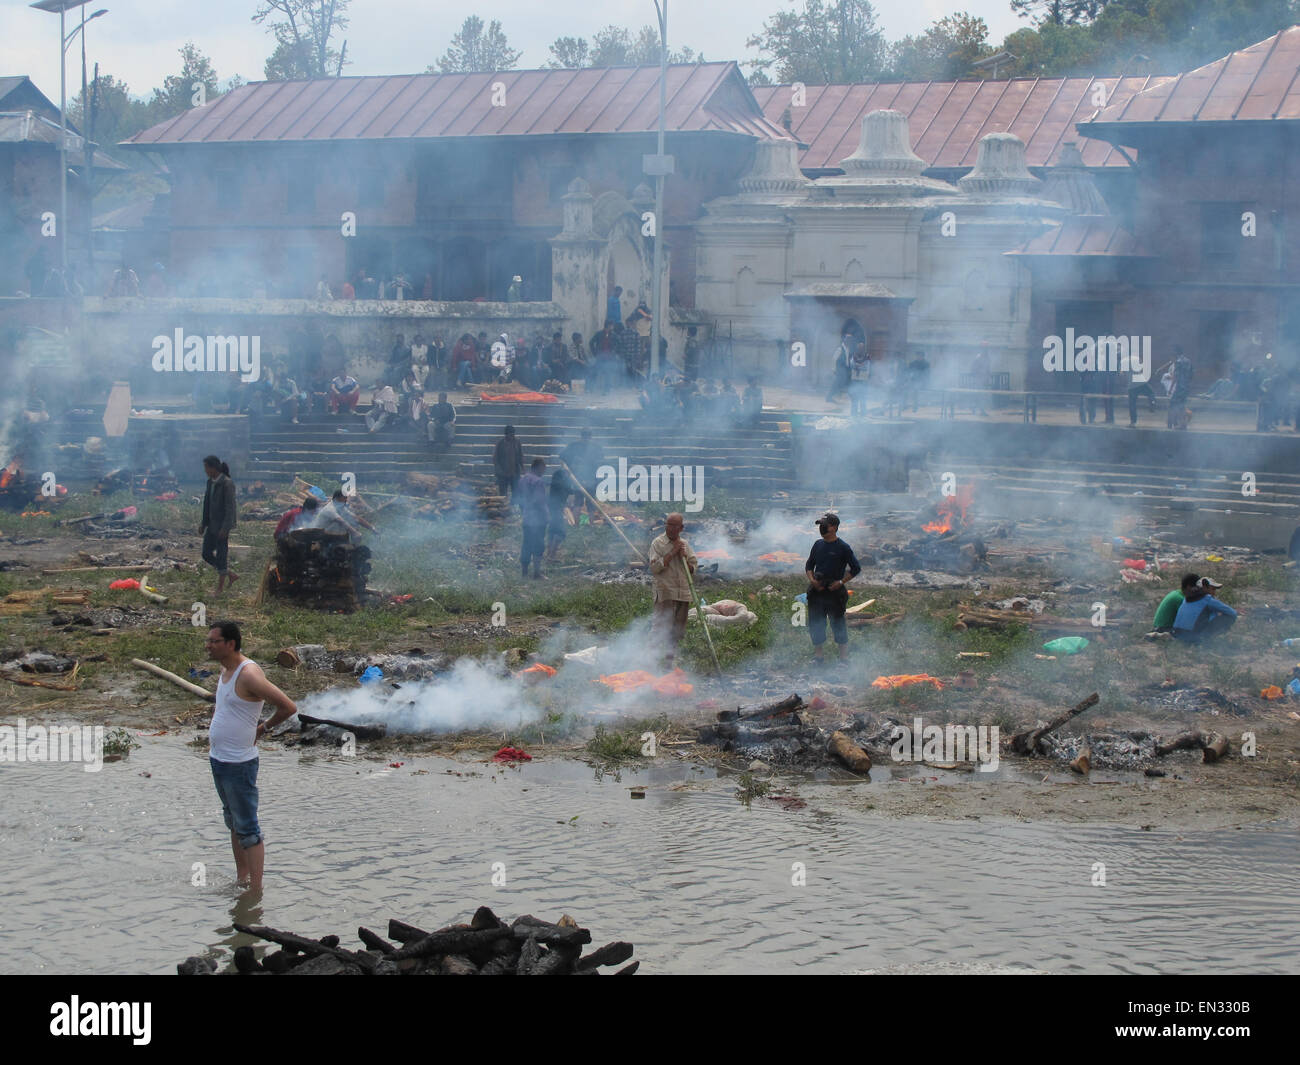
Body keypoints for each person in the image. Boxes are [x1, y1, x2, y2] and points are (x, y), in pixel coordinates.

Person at [205, 620, 299, 894]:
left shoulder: (248, 675)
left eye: (213, 641)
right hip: (219, 759)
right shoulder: (226, 670)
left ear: (230, 644)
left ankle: (255, 892)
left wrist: (264, 728)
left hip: (239, 763)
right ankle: (241, 879)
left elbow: (288, 706)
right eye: (208, 641)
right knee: (233, 821)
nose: (207, 646)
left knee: (248, 827)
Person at [805, 512, 861, 667]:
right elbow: (809, 566)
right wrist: (812, 581)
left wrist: (841, 582)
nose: (821, 528)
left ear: (834, 527)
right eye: (821, 525)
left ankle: (843, 659)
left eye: (825, 525)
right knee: (816, 623)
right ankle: (818, 657)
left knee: (838, 623)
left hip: (835, 593)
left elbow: (856, 568)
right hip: (817, 591)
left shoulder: (843, 547)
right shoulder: (818, 545)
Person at [649, 512, 698, 670]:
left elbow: (693, 568)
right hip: (666, 592)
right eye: (668, 524)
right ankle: (650, 664)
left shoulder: (685, 544)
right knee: (659, 629)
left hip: (683, 593)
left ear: (681, 528)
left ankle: (668, 664)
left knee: (677, 631)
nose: (669, 528)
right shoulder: (658, 543)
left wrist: (683, 556)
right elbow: (655, 568)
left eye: (673, 525)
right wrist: (672, 552)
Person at [200, 456, 238, 595]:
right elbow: (207, 504)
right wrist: (203, 523)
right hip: (212, 525)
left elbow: (230, 508)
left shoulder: (227, 484)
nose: (205, 470)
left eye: (206, 467)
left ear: (213, 468)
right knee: (206, 554)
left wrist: (226, 528)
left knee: (222, 556)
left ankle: (220, 589)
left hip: (222, 527)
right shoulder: (210, 482)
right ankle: (229, 573)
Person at [1172, 576, 1237, 642]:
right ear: (1205, 587)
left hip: (1177, 634)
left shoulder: (1186, 599)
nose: (1214, 592)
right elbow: (1233, 613)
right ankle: (1206, 640)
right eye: (1213, 589)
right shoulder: (1207, 599)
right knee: (1228, 617)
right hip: (1191, 636)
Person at [520, 458, 549, 579]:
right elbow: (539, 501)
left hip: (527, 516)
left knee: (526, 544)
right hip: (538, 519)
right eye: (543, 469)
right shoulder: (538, 482)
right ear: (538, 467)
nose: (544, 471)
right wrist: (547, 515)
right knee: (538, 544)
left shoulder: (522, 480)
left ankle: (524, 573)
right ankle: (537, 573)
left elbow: (519, 499)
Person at [1147, 573, 1200, 637]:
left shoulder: (1177, 593)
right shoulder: (1180, 599)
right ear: (1189, 587)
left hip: (1159, 626)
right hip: (1164, 628)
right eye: (1197, 588)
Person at [560, 429, 600, 512]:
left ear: (590, 437)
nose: (586, 440)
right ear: (582, 437)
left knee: (590, 502)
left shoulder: (595, 447)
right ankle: (577, 524)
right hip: (578, 479)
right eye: (585, 437)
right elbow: (562, 457)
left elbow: (600, 461)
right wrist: (569, 468)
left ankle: (590, 524)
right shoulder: (573, 446)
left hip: (591, 479)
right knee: (578, 502)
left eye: (587, 438)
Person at [493, 424, 525, 504]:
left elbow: (520, 456)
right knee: (503, 494)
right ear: (506, 434)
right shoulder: (500, 443)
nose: (512, 436)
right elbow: (495, 458)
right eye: (510, 435)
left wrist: (523, 468)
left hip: (514, 472)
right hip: (503, 474)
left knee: (515, 492)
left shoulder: (517, 442)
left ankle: (513, 508)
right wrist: (499, 471)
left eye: (513, 434)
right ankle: (503, 509)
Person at [546, 466, 571, 560]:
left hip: (554, 510)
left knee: (552, 531)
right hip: (556, 510)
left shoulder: (557, 483)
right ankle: (551, 555)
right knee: (561, 532)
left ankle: (549, 554)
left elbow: (570, 491)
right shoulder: (559, 484)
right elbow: (568, 490)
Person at [1168, 347, 1193, 429]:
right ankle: (1182, 423)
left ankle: (1177, 423)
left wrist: (1171, 389)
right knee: (1181, 405)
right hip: (1186, 387)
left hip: (1180, 388)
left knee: (1174, 404)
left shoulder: (1178, 362)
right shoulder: (1188, 361)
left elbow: (1176, 377)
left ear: (1176, 353)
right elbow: (1191, 375)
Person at [826, 334, 852, 402]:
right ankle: (829, 397)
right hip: (839, 369)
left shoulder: (848, 348)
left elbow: (847, 359)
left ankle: (831, 396)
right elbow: (834, 359)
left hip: (845, 369)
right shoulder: (840, 348)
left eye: (850, 340)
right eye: (848, 339)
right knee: (836, 384)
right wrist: (834, 369)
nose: (849, 341)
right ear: (845, 340)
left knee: (840, 383)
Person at [848, 342, 870, 417]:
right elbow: (851, 365)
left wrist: (858, 366)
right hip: (855, 380)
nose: (860, 349)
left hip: (863, 380)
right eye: (859, 347)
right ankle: (854, 414)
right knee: (854, 398)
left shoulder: (867, 356)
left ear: (864, 348)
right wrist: (859, 366)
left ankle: (863, 414)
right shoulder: (854, 356)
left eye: (862, 347)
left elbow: (867, 367)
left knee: (863, 398)